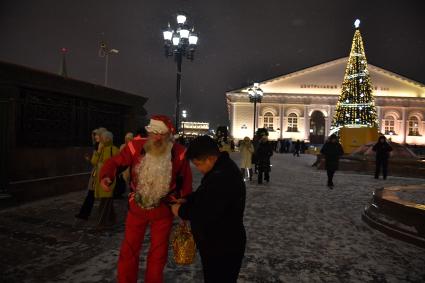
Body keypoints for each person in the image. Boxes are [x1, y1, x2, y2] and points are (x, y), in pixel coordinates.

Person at [99, 115, 192, 283]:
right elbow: (115, 162)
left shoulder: (179, 153)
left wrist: (183, 200)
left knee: (158, 253)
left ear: (169, 135)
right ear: (149, 132)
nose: (157, 138)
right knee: (129, 250)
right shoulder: (135, 146)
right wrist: (106, 176)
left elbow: (185, 179)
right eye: (153, 132)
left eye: (161, 134)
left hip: (164, 209)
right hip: (137, 208)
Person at [171, 135, 246, 283]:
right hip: (219, 242)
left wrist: (180, 211)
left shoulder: (222, 177)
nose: (198, 169)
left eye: (198, 164)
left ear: (210, 158)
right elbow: (205, 195)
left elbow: (206, 212)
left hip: (223, 246)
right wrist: (188, 199)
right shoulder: (219, 169)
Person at [75, 127, 107, 221]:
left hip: (98, 173)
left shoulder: (101, 146)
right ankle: (85, 213)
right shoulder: (99, 145)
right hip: (97, 173)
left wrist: (91, 159)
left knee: (95, 195)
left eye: (97, 134)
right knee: (94, 195)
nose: (95, 136)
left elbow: (97, 161)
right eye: (95, 134)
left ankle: (85, 214)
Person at [92, 130, 120, 228]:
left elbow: (118, 163)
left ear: (108, 139)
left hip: (108, 178)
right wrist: (98, 151)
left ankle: (101, 223)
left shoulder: (114, 149)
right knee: (107, 200)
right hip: (99, 178)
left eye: (102, 138)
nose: (101, 140)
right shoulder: (100, 149)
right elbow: (94, 162)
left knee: (105, 201)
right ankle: (112, 218)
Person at [114, 132, 134, 199]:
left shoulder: (133, 146)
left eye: (129, 138)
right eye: (126, 138)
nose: (127, 140)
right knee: (123, 180)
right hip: (123, 166)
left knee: (129, 180)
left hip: (130, 166)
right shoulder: (123, 146)